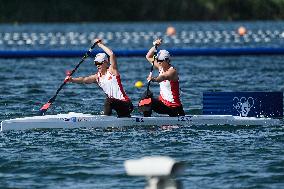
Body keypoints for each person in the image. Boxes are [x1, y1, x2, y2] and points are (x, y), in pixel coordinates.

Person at [65, 39, 133, 117]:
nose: (97, 65)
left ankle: (105, 120)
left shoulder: (112, 71)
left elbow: (111, 54)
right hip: (117, 105)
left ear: (106, 63)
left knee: (109, 100)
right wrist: (71, 80)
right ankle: (109, 120)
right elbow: (84, 80)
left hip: (126, 104)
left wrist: (100, 44)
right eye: (96, 63)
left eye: (99, 63)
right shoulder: (97, 77)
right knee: (110, 101)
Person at [140, 38, 185, 117]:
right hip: (163, 104)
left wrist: (153, 79)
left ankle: (147, 121)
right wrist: (155, 46)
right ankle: (146, 120)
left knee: (150, 101)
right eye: (157, 60)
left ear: (167, 60)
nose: (158, 62)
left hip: (174, 108)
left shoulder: (172, 71)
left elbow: (163, 77)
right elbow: (148, 56)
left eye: (160, 60)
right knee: (146, 96)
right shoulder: (160, 66)